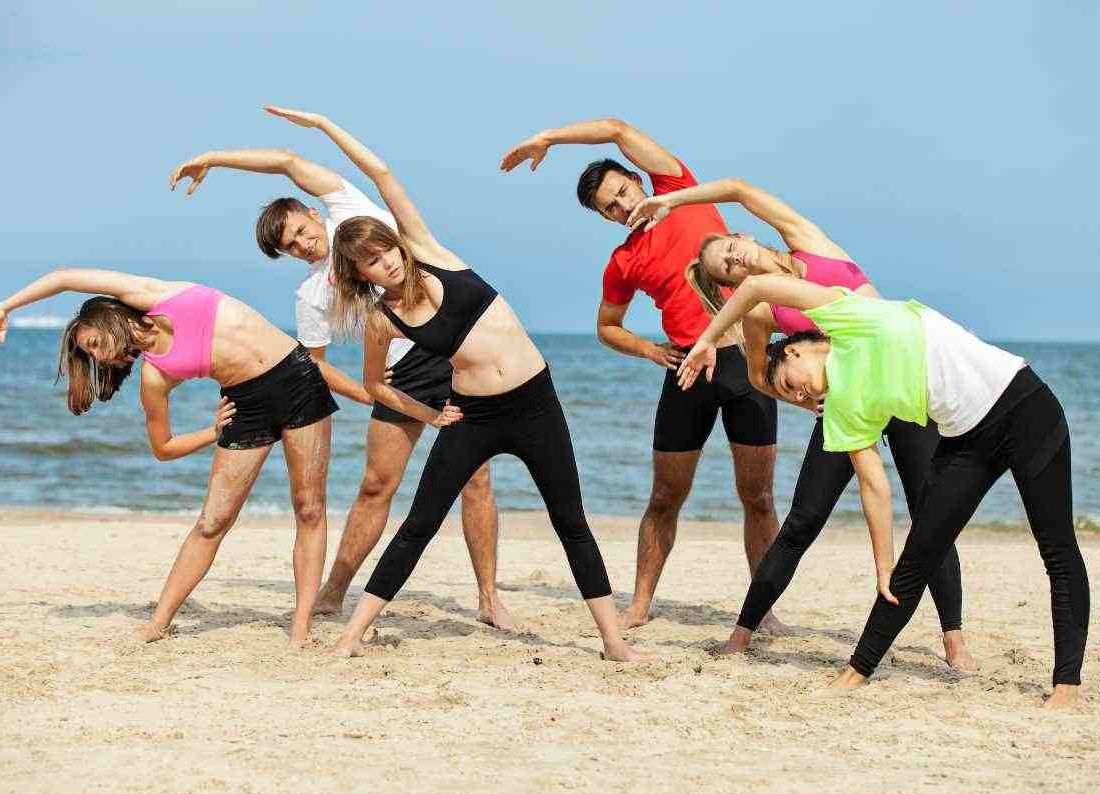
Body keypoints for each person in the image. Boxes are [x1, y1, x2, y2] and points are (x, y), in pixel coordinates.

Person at [263, 104, 651, 661]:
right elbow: (378, 385)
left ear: (399, 244)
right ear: (361, 275)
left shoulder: (431, 253)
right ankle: (350, 636)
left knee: (571, 520)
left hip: (537, 403)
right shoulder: (381, 317)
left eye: (385, 251)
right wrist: (428, 415)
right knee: (420, 520)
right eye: (370, 263)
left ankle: (613, 642)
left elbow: (382, 175)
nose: (385, 264)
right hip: (474, 415)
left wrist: (324, 127)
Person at [678, 275, 1088, 708]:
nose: (796, 393)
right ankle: (858, 669)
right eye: (788, 395)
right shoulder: (840, 410)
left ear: (795, 349)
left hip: (1026, 409)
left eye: (787, 382)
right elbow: (874, 485)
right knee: (916, 559)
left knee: (1057, 549)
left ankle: (1067, 686)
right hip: (966, 441)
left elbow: (757, 286)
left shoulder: (849, 318)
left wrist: (707, 339)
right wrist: (882, 564)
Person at [626, 179, 976, 670]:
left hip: (900, 391)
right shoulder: (765, 312)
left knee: (929, 512)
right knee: (804, 519)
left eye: (731, 249)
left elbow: (739, 189)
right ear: (730, 289)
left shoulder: (810, 243)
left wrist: (673, 199)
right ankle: (743, 633)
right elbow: (755, 376)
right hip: (846, 404)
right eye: (726, 268)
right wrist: (803, 402)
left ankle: (954, 640)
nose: (736, 260)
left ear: (745, 237)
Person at [168, 142, 513, 628]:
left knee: (476, 479)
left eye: (303, 231)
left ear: (313, 212)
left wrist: (213, 159)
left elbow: (287, 162)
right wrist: (367, 391)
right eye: (292, 246)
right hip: (401, 373)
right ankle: (333, 590)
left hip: (455, 348)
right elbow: (316, 363)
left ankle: (489, 599)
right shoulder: (311, 294)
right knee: (376, 486)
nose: (305, 244)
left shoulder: (349, 209)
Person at [0, 268, 365, 647]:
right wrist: (212, 433)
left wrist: (6, 306)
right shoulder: (154, 375)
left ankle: (300, 629)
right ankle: (158, 624)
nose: (98, 358)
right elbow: (163, 448)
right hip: (245, 406)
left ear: (105, 317)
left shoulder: (155, 296)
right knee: (212, 522)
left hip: (297, 378)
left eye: (91, 344)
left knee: (309, 508)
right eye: (90, 357)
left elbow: (64, 277)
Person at [500, 119, 781, 631]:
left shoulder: (679, 190)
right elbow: (607, 327)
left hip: (745, 357)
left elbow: (614, 128)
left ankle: (764, 610)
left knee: (757, 496)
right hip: (686, 369)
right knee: (664, 497)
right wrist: (650, 351)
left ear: (638, 178)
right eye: (610, 206)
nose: (623, 205)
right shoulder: (624, 260)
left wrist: (549, 140)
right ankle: (640, 603)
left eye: (623, 191)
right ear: (603, 218)